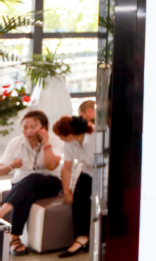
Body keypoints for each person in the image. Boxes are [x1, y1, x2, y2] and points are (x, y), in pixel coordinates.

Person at [0, 110, 61, 256]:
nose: (28, 131)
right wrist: (12, 166)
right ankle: (15, 239)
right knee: (27, 194)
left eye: (33, 127)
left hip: (50, 182)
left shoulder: (54, 140)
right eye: (25, 127)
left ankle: (2, 212)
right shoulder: (16, 142)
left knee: (33, 178)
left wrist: (46, 143)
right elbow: (1, 170)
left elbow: (51, 166)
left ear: (43, 127)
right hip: (22, 184)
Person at [52, 116, 94, 258]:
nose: (58, 138)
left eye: (59, 135)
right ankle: (82, 239)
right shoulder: (69, 143)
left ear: (69, 136)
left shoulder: (96, 136)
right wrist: (67, 192)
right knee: (79, 198)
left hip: (107, 172)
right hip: (88, 171)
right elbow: (67, 168)